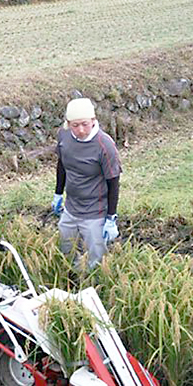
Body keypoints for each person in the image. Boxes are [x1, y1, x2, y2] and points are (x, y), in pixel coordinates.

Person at [52, 98, 122, 271]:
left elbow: (113, 182)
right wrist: (58, 193)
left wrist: (111, 217)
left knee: (96, 260)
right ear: (68, 124)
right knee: (66, 251)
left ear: (93, 120)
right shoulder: (64, 136)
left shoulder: (104, 145)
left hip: (95, 212)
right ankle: (70, 283)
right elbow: (62, 164)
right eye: (75, 125)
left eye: (84, 124)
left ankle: (95, 289)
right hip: (71, 208)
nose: (80, 130)